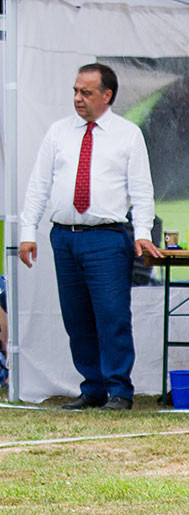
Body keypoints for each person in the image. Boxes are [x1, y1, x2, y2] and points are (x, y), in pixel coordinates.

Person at [19, 63, 161, 411]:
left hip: (108, 238)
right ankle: (92, 387)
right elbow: (39, 186)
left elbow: (141, 190)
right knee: (77, 317)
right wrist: (27, 231)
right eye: (75, 91)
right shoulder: (58, 132)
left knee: (112, 315)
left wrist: (142, 232)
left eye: (86, 92)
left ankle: (119, 390)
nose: (77, 98)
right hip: (64, 237)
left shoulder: (127, 134)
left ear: (107, 95)